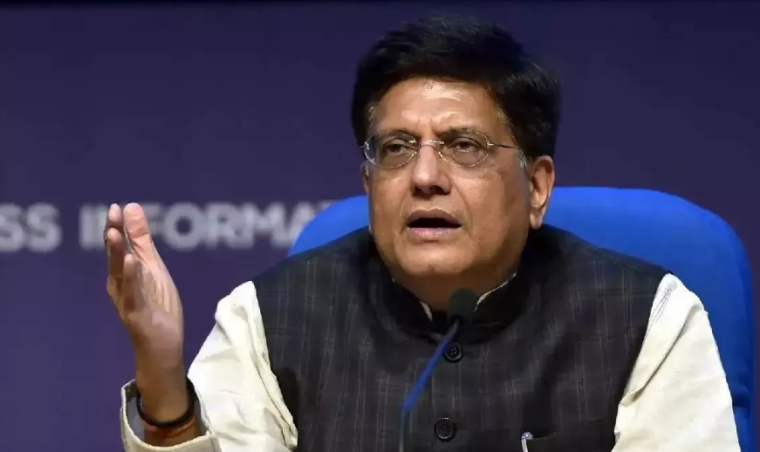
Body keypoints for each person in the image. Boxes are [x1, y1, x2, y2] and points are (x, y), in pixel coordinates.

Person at [106, 15, 739, 452]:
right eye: (397, 149)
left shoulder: (649, 318)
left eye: (464, 146)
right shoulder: (269, 317)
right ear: (368, 181)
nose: (425, 177)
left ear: (537, 187)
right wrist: (164, 385)